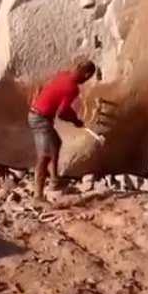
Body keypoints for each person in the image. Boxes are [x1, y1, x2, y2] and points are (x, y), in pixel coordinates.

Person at [28, 60, 96, 201]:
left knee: (56, 143)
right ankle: (38, 196)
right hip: (40, 119)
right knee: (44, 156)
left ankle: (54, 181)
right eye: (88, 78)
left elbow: (60, 103)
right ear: (86, 74)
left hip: (38, 115)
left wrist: (74, 118)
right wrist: (75, 121)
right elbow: (62, 113)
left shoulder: (63, 74)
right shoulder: (72, 88)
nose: (87, 80)